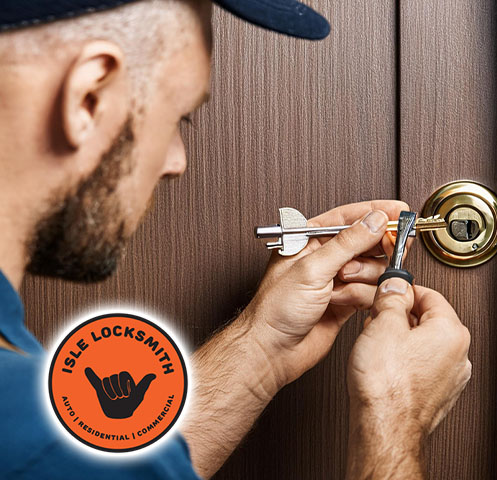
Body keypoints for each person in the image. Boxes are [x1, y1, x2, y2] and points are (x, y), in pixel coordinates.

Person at [0, 0, 472, 478]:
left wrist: (263, 346)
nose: (176, 162)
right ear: (89, 97)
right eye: (179, 119)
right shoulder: (37, 438)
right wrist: (392, 411)